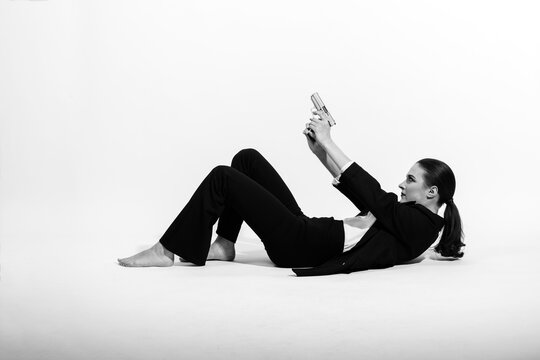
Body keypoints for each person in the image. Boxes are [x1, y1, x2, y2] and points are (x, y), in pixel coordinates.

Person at [118, 108, 465, 276]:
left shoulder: (421, 225)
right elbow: (367, 199)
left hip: (301, 244)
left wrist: (331, 141)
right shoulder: (410, 218)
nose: (402, 184)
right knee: (247, 159)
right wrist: (321, 153)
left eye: (410, 180)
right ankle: (224, 244)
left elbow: (374, 196)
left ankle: (167, 250)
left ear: (432, 192)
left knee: (223, 176)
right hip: (306, 231)